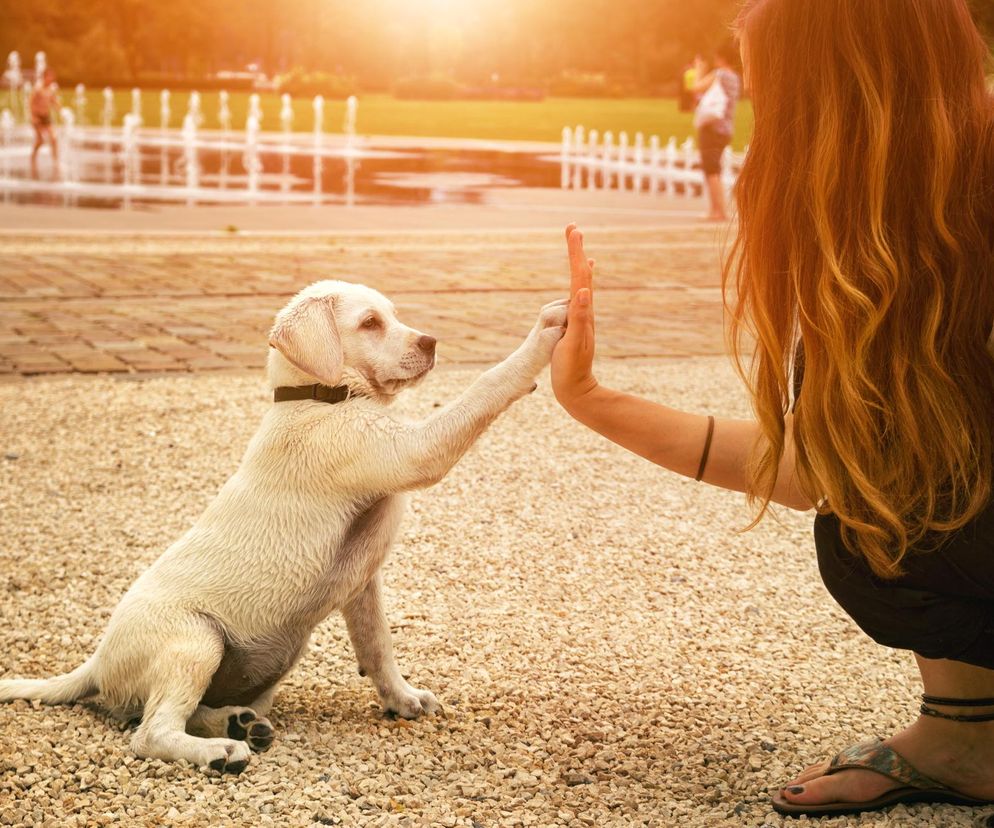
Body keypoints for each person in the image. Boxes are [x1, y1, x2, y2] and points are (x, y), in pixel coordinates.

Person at [550, 0, 994, 818]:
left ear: (839, 98)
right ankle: (966, 737)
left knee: (891, 521)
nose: (767, 133)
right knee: (874, 522)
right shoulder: (892, 235)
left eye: (776, 101)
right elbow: (820, 471)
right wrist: (590, 399)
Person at [692, 43, 741, 221]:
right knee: (714, 169)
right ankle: (716, 209)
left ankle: (718, 211)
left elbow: (696, 87)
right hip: (726, 129)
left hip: (712, 127)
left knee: (711, 170)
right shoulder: (735, 78)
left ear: (721, 57)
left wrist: (698, 69)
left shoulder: (719, 75)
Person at [30, 68, 59, 179]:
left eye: (52, 77)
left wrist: (60, 109)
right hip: (37, 117)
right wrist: (33, 117)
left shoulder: (50, 90)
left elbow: (53, 101)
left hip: (46, 117)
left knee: (54, 138)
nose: (51, 79)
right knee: (40, 140)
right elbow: (31, 103)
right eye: (49, 77)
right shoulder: (38, 89)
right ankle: (33, 157)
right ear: (44, 77)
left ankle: (55, 161)